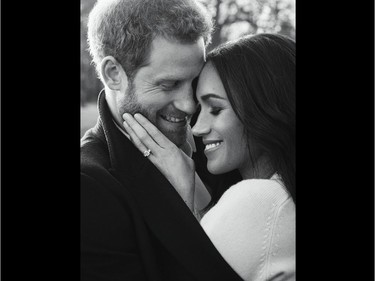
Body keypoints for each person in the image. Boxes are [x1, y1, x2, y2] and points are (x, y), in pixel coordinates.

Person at [80, 0, 244, 280]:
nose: (190, 106)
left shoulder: (218, 138)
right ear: (113, 74)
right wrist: (182, 208)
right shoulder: (90, 186)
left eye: (194, 82)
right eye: (169, 85)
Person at [123, 33, 296, 281]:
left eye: (215, 109)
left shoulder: (259, 201)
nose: (196, 128)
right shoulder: (281, 196)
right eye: (199, 108)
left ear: (266, 109)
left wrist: (182, 197)